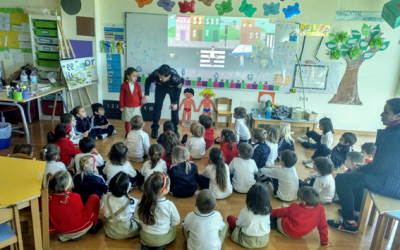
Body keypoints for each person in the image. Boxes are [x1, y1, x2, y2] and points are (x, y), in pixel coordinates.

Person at [328, 98, 400, 233]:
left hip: (391, 183)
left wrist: (360, 167)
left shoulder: (395, 136)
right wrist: (361, 168)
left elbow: (379, 167)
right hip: (390, 177)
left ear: (398, 116)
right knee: (356, 177)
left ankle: (349, 223)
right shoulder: (394, 131)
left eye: (386, 112)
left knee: (342, 179)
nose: (381, 115)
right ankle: (355, 212)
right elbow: (381, 164)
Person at [48, 171, 103, 242]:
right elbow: (81, 210)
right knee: (94, 197)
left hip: (62, 230)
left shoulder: (48, 200)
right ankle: (95, 224)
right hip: (81, 227)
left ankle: (70, 236)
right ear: (69, 185)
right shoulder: (75, 196)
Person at [134, 172, 180, 249]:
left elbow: (136, 216)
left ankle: (147, 246)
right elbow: (176, 221)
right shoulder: (169, 205)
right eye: (169, 186)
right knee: (173, 229)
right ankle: (160, 246)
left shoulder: (141, 201)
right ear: (164, 190)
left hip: (145, 237)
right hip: (162, 238)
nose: (169, 187)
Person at [142, 65, 184, 139]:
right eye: (159, 77)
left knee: (174, 109)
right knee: (157, 107)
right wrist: (146, 94)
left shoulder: (176, 78)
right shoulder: (156, 73)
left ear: (169, 76)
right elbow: (148, 81)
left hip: (173, 89)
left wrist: (175, 103)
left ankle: (175, 129)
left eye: (162, 78)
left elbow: (178, 90)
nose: (159, 78)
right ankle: (155, 128)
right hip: (160, 88)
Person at [227, 184, 271, 248]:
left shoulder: (245, 211)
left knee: (230, 218)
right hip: (264, 240)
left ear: (249, 198)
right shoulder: (267, 210)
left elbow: (238, 224)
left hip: (247, 240)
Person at [102, 172, 140, 240]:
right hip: (127, 230)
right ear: (127, 188)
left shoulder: (105, 197)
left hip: (110, 231)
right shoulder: (132, 202)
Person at [119, 67, 143, 136]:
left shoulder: (138, 85)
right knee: (127, 120)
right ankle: (127, 133)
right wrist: (121, 106)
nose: (136, 78)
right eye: (134, 76)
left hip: (136, 106)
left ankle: (133, 133)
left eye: (136, 76)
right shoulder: (123, 85)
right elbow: (121, 96)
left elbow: (140, 95)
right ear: (128, 76)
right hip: (127, 106)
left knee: (135, 121)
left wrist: (140, 104)